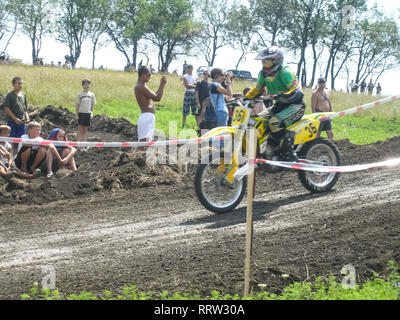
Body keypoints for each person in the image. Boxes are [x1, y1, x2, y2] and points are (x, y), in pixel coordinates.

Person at [245, 46, 305, 162]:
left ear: (276, 61)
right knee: (256, 122)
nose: (264, 65)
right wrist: (245, 98)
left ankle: (289, 154)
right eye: (263, 62)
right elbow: (258, 89)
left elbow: (296, 92)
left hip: (295, 106)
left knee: (274, 122)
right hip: (279, 106)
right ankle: (267, 149)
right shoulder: (263, 74)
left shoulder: (285, 72)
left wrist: (281, 96)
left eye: (267, 62)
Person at [134, 66, 167, 142]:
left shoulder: (141, 86)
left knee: (145, 144)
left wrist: (161, 85)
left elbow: (154, 96)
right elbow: (157, 98)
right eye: (149, 75)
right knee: (143, 144)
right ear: (142, 75)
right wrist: (162, 84)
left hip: (147, 117)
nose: (150, 77)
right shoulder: (141, 86)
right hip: (147, 117)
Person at [0, 77, 30, 141]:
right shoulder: (10, 95)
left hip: (22, 123)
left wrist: (27, 117)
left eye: (21, 84)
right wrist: (15, 119)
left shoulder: (23, 95)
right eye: (18, 83)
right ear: (13, 84)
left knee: (21, 140)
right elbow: (6, 108)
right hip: (12, 122)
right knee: (11, 140)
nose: (20, 85)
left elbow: (25, 109)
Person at [75, 78, 96, 151]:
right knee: (80, 129)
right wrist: (77, 114)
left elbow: (92, 105)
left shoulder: (92, 94)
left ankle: (83, 145)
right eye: (85, 84)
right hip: (81, 113)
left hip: (88, 113)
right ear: (83, 85)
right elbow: (77, 105)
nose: (87, 85)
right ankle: (78, 145)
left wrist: (92, 113)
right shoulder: (80, 94)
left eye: (88, 84)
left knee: (85, 130)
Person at [181, 64, 198, 129]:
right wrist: (194, 85)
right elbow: (187, 86)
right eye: (188, 68)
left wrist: (190, 85)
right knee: (185, 111)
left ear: (193, 69)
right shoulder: (185, 76)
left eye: (191, 68)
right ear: (187, 69)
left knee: (195, 111)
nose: (190, 69)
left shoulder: (195, 76)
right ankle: (183, 125)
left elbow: (196, 84)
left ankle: (198, 125)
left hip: (194, 93)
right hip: (188, 93)